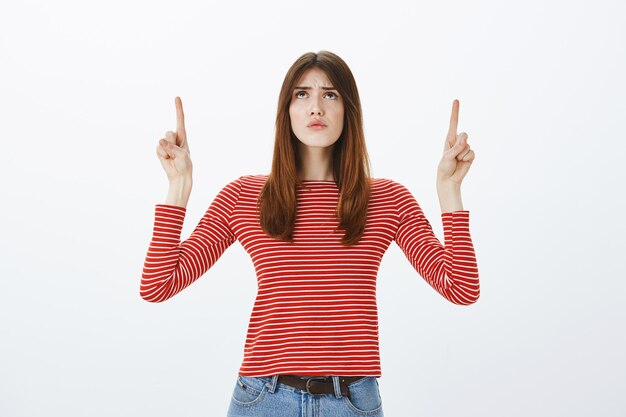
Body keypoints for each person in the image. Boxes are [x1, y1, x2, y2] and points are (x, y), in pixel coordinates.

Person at [141, 50, 479, 417]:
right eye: (301, 94)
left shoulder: (388, 199)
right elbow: (158, 286)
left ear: (348, 111)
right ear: (286, 112)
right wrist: (179, 185)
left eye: (330, 94)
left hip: (352, 401)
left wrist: (450, 190)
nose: (315, 106)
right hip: (263, 399)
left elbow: (461, 289)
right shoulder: (244, 196)